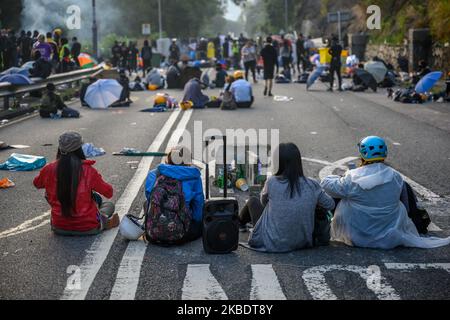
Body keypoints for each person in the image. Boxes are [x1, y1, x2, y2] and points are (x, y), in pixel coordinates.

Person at [321, 136, 450, 249]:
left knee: (343, 195)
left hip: (356, 234)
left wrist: (341, 177)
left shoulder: (353, 177)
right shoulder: (395, 176)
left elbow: (326, 184)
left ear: (362, 154)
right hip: (390, 233)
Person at [240, 143, 335, 253]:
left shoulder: (272, 182)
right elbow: (330, 204)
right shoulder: (312, 184)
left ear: (277, 163)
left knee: (253, 201)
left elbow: (264, 202)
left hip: (273, 242)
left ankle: (240, 222)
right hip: (302, 243)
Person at [34, 132, 119, 236]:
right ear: (79, 149)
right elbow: (109, 192)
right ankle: (104, 221)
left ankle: (98, 219)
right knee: (108, 205)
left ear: (60, 148)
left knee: (50, 193)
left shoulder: (49, 169)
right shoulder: (88, 170)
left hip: (59, 227)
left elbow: (37, 183)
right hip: (88, 227)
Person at [144, 146, 204, 245]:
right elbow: (198, 206)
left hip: (153, 233)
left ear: (169, 158)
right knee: (200, 221)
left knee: (146, 203)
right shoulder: (193, 176)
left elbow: (149, 197)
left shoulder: (154, 174)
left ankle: (151, 226)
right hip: (182, 233)